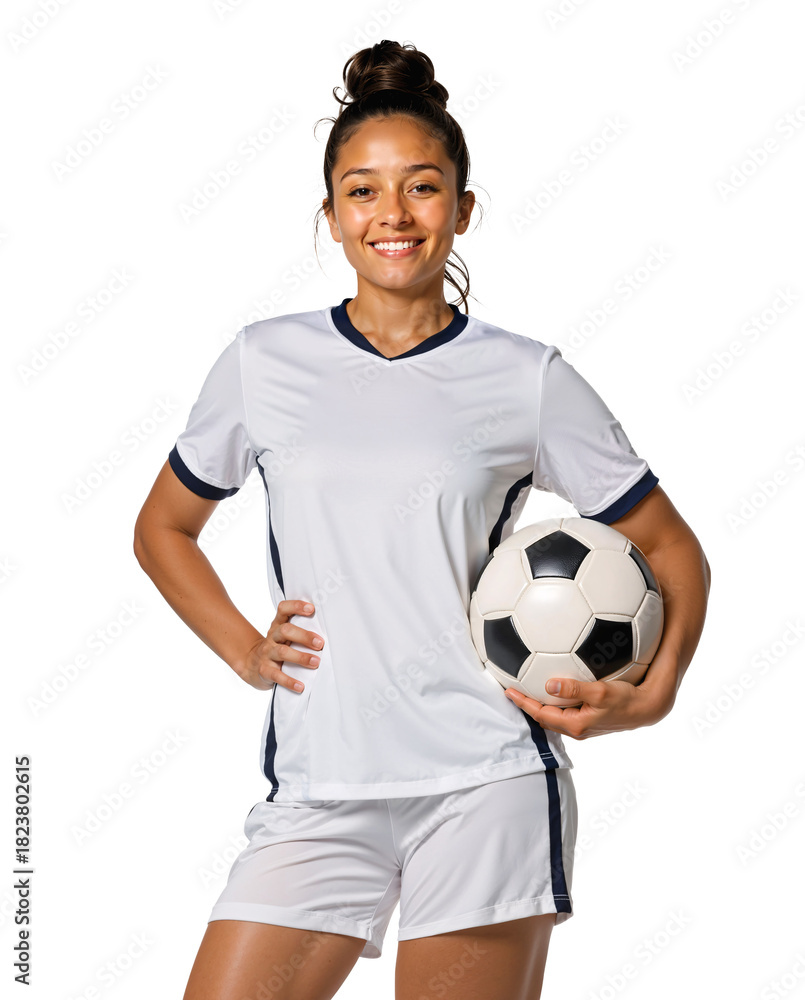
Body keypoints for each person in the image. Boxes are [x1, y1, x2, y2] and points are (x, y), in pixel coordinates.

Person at [133, 39, 711, 1000]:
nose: (392, 215)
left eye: (422, 188)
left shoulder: (526, 378)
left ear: (463, 209)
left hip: (484, 779)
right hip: (319, 788)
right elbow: (162, 527)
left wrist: (653, 692)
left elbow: (669, 547)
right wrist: (243, 649)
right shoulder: (262, 362)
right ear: (330, 216)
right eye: (362, 191)